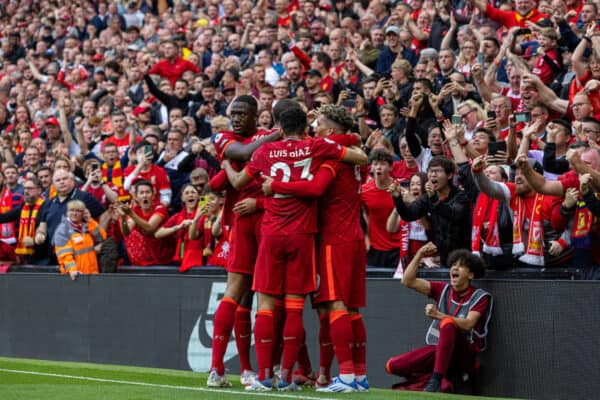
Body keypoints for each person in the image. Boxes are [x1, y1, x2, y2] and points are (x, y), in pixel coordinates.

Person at [221, 105, 367, 391]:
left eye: (320, 122)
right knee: (297, 309)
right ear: (304, 126)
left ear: (278, 126)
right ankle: (289, 376)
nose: (315, 126)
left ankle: (265, 376)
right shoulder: (317, 147)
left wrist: (227, 161)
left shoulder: (264, 151)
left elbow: (238, 182)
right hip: (305, 234)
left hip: (275, 233)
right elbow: (359, 154)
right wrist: (351, 140)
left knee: (266, 306)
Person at [207, 95, 281, 388]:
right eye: (232, 113)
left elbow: (224, 178)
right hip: (241, 224)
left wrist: (229, 170)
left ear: (255, 115)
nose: (235, 118)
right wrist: (276, 133)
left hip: (269, 220)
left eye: (241, 114)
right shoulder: (223, 137)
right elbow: (245, 152)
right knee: (240, 296)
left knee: (270, 298)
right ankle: (225, 369)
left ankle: (270, 369)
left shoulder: (266, 136)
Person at [386, 243, 492, 393]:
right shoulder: (443, 289)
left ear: (471, 275)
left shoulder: (479, 296)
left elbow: (468, 324)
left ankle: (435, 380)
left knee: (448, 323)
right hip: (440, 351)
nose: (454, 268)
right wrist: (420, 254)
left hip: (464, 355)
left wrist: (438, 315)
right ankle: (433, 380)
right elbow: (407, 281)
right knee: (391, 366)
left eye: (461, 266)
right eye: (453, 265)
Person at [390, 156, 471, 266]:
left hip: (463, 256)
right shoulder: (427, 197)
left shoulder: (461, 196)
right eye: (430, 171)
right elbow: (408, 215)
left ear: (449, 175)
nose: (433, 174)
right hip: (443, 256)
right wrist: (397, 198)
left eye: (437, 171)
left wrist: (434, 198)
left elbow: (453, 214)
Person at [361, 149, 401, 269]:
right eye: (375, 164)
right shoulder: (364, 190)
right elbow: (363, 215)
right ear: (371, 168)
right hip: (374, 247)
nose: (379, 167)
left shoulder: (399, 189)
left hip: (397, 247)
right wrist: (366, 238)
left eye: (383, 164)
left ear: (390, 168)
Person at [117, 180, 172, 266]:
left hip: (166, 257)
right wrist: (123, 218)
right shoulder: (136, 210)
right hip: (148, 256)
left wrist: (131, 214)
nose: (145, 195)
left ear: (153, 195)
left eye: (148, 192)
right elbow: (126, 232)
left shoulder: (160, 208)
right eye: (141, 193)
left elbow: (150, 228)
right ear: (136, 197)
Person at [155, 183, 205, 272]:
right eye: (187, 193)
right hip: (181, 259)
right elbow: (158, 234)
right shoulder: (177, 217)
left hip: (202, 258)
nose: (190, 195)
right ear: (182, 198)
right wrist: (178, 227)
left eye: (193, 192)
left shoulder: (205, 215)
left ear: (198, 196)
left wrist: (196, 218)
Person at [53, 199, 106, 280]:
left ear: (83, 213)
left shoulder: (86, 226)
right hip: (75, 276)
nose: (74, 213)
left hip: (92, 273)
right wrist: (72, 270)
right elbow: (65, 255)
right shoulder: (62, 230)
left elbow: (102, 237)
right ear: (67, 212)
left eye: (78, 211)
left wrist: (90, 220)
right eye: (71, 210)